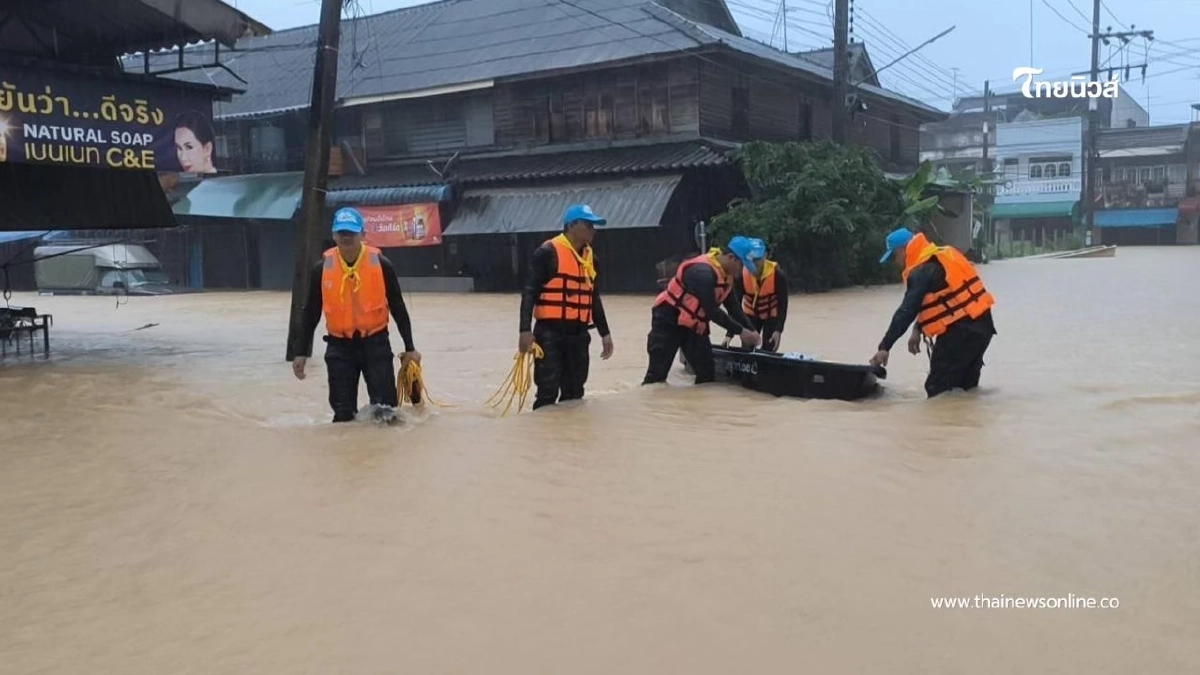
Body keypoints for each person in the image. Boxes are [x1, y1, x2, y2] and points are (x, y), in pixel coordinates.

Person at [291, 207, 421, 423]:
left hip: (376, 344)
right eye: (341, 232)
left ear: (363, 234)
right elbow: (310, 313)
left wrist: (410, 348)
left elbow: (398, 307)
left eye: (351, 232)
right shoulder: (321, 269)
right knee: (343, 415)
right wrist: (300, 353)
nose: (346, 237)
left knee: (386, 412)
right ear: (333, 235)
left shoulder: (382, 265)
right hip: (339, 348)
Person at [870, 227, 997, 398]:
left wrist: (885, 347)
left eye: (894, 256)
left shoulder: (921, 270)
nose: (897, 262)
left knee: (937, 390)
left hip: (961, 332)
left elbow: (906, 310)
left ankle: (943, 424)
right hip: (982, 328)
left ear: (903, 249)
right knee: (965, 389)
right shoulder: (941, 255)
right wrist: (918, 329)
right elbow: (946, 299)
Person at [518, 204, 614, 410]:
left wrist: (605, 333)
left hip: (578, 334)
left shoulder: (592, 260)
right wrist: (524, 330)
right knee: (547, 390)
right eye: (589, 225)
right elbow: (529, 292)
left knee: (575, 392)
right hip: (550, 333)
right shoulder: (547, 252)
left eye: (594, 226)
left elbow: (593, 297)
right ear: (571, 226)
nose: (593, 230)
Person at [643, 237, 762, 385]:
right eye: (742, 265)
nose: (742, 271)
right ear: (731, 258)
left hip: (694, 326)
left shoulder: (727, 276)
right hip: (668, 320)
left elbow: (734, 308)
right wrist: (740, 331)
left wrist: (751, 330)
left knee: (706, 376)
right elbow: (711, 310)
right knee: (656, 377)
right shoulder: (702, 272)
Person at [722, 239, 790, 352]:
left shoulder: (778, 275)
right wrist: (730, 333)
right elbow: (735, 305)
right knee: (747, 346)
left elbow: (783, 305)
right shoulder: (741, 275)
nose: (754, 264)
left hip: (771, 316)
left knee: (769, 348)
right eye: (751, 260)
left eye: (758, 259)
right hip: (750, 316)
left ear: (765, 255)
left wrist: (778, 330)